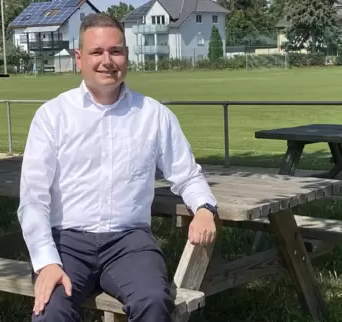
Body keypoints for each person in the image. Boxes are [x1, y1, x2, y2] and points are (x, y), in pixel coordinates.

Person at [17, 13, 218, 322]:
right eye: (97, 52)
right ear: (79, 58)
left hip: (129, 242)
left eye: (116, 51)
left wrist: (204, 208)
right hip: (66, 242)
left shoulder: (154, 115)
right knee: (50, 312)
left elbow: (187, 174)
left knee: (153, 302)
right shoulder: (52, 116)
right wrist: (46, 262)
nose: (107, 61)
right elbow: (33, 198)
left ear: (127, 55)